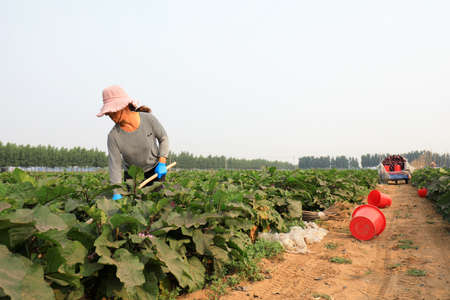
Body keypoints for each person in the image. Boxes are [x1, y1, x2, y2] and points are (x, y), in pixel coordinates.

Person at [97, 85, 169, 200]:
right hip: (132, 177)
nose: (108, 115)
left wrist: (162, 161)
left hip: (155, 171)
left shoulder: (148, 119)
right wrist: (116, 191)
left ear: (122, 106)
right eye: (107, 112)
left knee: (158, 201)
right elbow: (115, 165)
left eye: (111, 111)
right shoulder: (113, 136)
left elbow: (163, 138)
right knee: (135, 207)